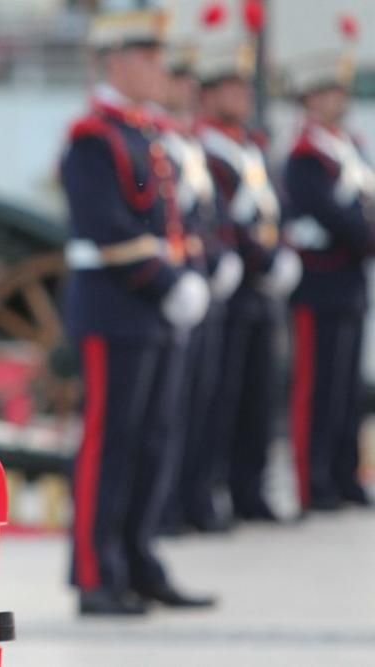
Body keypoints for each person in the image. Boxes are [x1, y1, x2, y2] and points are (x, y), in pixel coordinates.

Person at [61, 8, 213, 616]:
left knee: (154, 439)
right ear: (116, 63)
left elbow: (176, 219)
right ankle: (98, 574)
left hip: (152, 312)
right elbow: (106, 225)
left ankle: (139, 559)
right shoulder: (93, 137)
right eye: (147, 58)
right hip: (115, 309)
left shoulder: (145, 133)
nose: (159, 69)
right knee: (109, 443)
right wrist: (168, 280)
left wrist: (189, 275)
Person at [195, 10, 301, 522]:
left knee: (262, 395)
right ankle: (214, 492)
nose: (240, 95)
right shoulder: (208, 148)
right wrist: (259, 255)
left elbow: (273, 207)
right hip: (234, 286)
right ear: (210, 94)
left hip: (262, 286)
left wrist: (281, 253)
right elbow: (222, 219)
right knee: (224, 397)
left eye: (242, 86)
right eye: (229, 87)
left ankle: (250, 490)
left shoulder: (251, 147)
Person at [283, 16, 375, 511]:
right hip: (319, 285)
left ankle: (344, 476)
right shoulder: (305, 158)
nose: (338, 100)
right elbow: (341, 218)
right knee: (316, 393)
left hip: (350, 282)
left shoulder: (348, 151)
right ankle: (312, 483)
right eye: (328, 92)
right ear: (311, 99)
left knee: (346, 392)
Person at [154, 43, 243, 534]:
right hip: (170, 288)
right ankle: (166, 509)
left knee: (202, 404)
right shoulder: (159, 140)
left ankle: (191, 499)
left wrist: (220, 255)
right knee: (170, 412)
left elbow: (209, 217)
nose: (186, 89)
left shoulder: (186, 143)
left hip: (200, 283)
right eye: (178, 78)